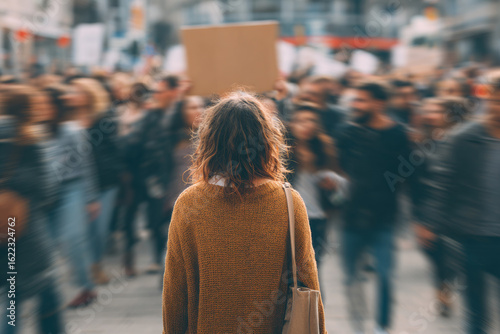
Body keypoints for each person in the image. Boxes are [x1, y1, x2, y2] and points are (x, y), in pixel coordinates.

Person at [162, 92, 326, 333]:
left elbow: (175, 293)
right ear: (267, 141)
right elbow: (309, 281)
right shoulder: (288, 201)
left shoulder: (189, 204)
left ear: (210, 142)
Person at [335, 81, 414, 334]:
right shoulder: (346, 133)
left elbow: (410, 178)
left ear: (379, 104)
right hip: (350, 219)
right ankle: (359, 326)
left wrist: (418, 220)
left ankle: (381, 327)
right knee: (350, 278)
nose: (355, 105)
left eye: (362, 100)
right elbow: (339, 168)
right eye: (355, 100)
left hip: (384, 220)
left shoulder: (399, 135)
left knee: (385, 276)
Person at [435, 72, 500, 334]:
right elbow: (445, 183)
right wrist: (436, 223)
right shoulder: (464, 137)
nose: (496, 108)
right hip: (474, 238)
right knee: (476, 314)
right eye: (494, 101)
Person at [0, 85, 63, 333]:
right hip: (24, 231)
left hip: (3, 231)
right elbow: (48, 191)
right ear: (27, 109)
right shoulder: (29, 139)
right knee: (21, 296)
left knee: (13, 293)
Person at [413, 97, 470, 317]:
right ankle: (444, 293)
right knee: (437, 256)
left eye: (437, 110)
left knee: (460, 257)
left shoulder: (466, 140)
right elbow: (417, 185)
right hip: (432, 209)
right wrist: (419, 219)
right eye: (429, 110)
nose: (431, 115)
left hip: (463, 209)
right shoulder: (423, 142)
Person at [44, 85, 100, 307]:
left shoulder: (72, 131)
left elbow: (86, 165)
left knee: (73, 238)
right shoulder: (34, 132)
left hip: (72, 188)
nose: (41, 109)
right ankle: (52, 293)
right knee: (52, 244)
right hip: (46, 194)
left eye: (45, 104)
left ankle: (86, 287)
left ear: (56, 107)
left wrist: (91, 198)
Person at [286, 105, 347, 296]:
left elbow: (340, 193)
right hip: (288, 218)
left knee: (313, 270)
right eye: (301, 120)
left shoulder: (325, 150)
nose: (307, 125)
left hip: (317, 219)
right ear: (293, 124)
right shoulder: (283, 151)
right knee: (287, 272)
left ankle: (314, 317)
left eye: (311, 120)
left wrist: (333, 186)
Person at [68, 78, 123, 285]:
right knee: (79, 230)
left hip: (105, 183)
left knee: (98, 229)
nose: (73, 96)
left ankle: (96, 264)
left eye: (78, 92)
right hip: (78, 184)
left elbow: (115, 150)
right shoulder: (67, 120)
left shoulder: (104, 120)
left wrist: (114, 172)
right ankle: (82, 267)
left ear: (89, 95)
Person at [127, 74, 181, 273]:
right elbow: (136, 141)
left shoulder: (180, 112)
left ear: (173, 92)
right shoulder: (151, 115)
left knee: (173, 219)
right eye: (154, 91)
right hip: (154, 176)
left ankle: (170, 260)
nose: (155, 95)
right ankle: (158, 259)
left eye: (159, 91)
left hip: (177, 175)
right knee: (155, 218)